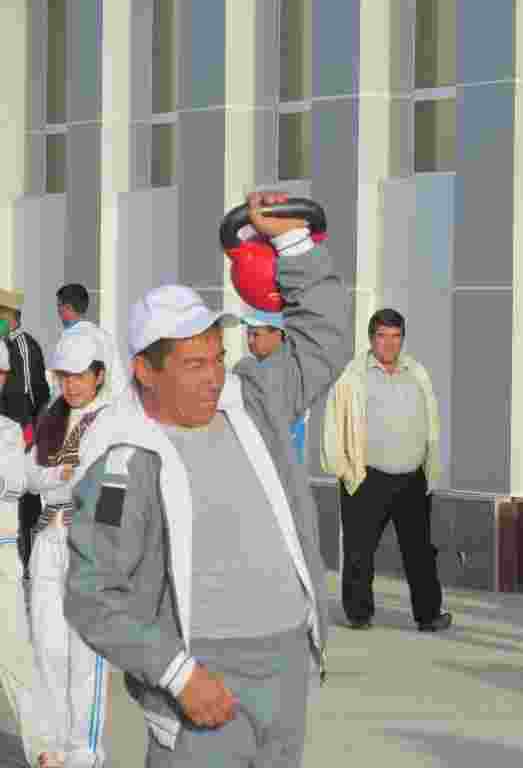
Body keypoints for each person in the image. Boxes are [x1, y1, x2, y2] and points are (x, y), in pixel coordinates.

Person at [64, 191, 349, 766]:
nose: (214, 377)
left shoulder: (253, 401)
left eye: (218, 356)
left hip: (287, 672)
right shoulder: (123, 460)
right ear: (145, 369)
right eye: (194, 365)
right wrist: (179, 675)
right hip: (202, 688)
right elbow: (92, 596)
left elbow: (324, 339)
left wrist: (293, 243)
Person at [321, 308, 450, 632]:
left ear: (402, 339)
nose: (390, 344)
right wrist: (344, 470)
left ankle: (429, 615)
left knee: (419, 553)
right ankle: (359, 614)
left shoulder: (416, 372)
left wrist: (430, 466)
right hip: (368, 477)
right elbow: (334, 426)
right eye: (382, 336)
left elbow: (431, 422)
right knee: (359, 550)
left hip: (411, 478)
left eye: (396, 337)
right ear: (371, 339)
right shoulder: (353, 376)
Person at [27, 332, 110, 768]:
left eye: (80, 375)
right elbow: (30, 475)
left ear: (99, 375)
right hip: (47, 541)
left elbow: (115, 490)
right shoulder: (50, 418)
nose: (72, 385)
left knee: (86, 657)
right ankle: (54, 747)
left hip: (89, 547)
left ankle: (85, 752)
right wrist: (62, 475)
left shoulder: (113, 421)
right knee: (48, 649)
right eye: (65, 376)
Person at [0, 341, 47, 766]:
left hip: (1, 560)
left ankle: (45, 754)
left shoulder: (10, 432)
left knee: (17, 660)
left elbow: (14, 483)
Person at [0, 289, 51, 590]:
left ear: (12, 316)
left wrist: (32, 429)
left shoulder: (22, 345)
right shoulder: (6, 344)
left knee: (27, 498)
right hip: (8, 429)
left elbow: (34, 392)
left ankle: (28, 558)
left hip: (22, 429)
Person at [238, 309, 309, 464]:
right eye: (248, 335)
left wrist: (244, 368)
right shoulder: (291, 363)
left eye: (256, 335)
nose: (250, 341)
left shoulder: (270, 370)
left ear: (277, 334)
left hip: (275, 457)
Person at [55, 282, 129, 399]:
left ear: (67, 307)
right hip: (106, 409)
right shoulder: (104, 337)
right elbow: (118, 383)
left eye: (59, 306)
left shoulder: (67, 340)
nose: (58, 311)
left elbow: (59, 388)